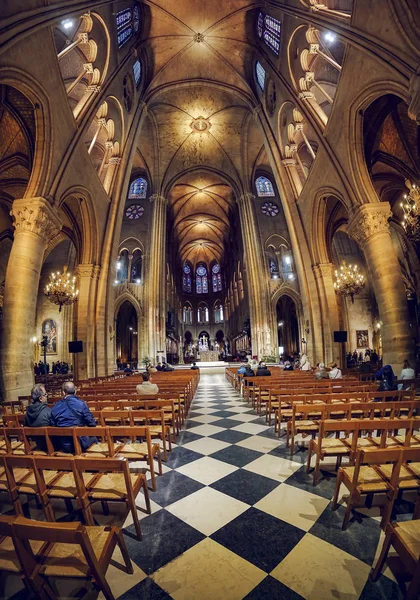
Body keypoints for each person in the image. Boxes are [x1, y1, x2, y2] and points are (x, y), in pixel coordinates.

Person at [50, 382, 97, 453]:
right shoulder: (81, 404)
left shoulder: (56, 406)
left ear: (63, 392)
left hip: (64, 445)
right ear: (75, 391)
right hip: (81, 443)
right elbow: (92, 423)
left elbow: (53, 425)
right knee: (94, 438)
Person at [24, 384, 51, 452]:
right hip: (50, 447)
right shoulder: (48, 412)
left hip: (36, 445)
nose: (47, 396)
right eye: (45, 394)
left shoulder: (27, 413)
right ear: (40, 399)